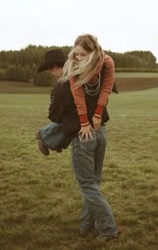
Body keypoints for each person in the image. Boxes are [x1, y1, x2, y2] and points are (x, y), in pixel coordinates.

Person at [37, 41, 119, 241]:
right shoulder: (96, 71)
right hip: (101, 132)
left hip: (83, 136)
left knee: (87, 185)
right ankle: (86, 225)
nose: (52, 75)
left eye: (51, 71)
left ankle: (108, 229)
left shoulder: (64, 84)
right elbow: (110, 90)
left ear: (56, 68)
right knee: (94, 183)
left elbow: (54, 115)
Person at [61, 33, 116, 141]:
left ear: (93, 53)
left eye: (83, 54)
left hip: (96, 93)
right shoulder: (74, 64)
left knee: (98, 120)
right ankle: (45, 135)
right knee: (71, 120)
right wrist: (84, 122)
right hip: (74, 94)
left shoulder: (107, 63)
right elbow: (78, 95)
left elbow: (106, 88)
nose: (78, 58)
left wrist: (98, 114)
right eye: (76, 54)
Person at [35, 49, 70, 155]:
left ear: (56, 67)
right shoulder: (62, 85)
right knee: (70, 120)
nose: (51, 73)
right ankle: (49, 138)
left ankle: (49, 138)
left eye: (51, 70)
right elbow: (55, 116)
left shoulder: (67, 82)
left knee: (72, 120)